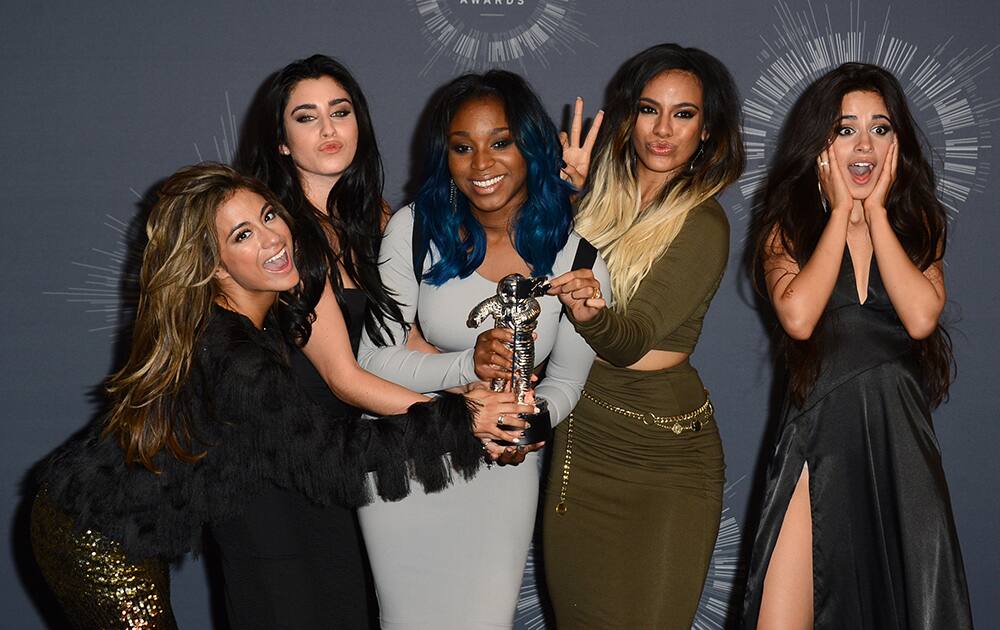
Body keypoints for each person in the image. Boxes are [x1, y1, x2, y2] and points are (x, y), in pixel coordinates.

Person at [29, 163, 528, 630]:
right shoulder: (231, 355)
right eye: (242, 235)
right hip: (95, 538)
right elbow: (335, 458)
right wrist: (461, 420)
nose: (272, 238)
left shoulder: (259, 314)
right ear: (213, 264)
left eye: (268, 215)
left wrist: (459, 390)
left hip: (110, 515)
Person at [236, 54, 527, 627]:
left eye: (340, 112)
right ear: (281, 142)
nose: (328, 129)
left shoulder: (378, 219)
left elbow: (406, 344)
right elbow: (344, 378)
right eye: (306, 116)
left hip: (352, 459)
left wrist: (477, 379)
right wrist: (465, 413)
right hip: (279, 466)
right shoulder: (279, 235)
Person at [355, 70, 610, 629]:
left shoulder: (579, 258)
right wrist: (464, 365)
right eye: (462, 147)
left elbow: (566, 383)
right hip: (405, 455)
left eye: (500, 142)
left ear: (531, 148)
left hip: (501, 466)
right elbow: (373, 357)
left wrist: (527, 421)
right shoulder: (414, 230)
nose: (481, 165)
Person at [741, 63, 972, 629]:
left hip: (902, 444)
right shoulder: (786, 226)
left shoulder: (921, 224)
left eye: (881, 128)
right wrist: (843, 210)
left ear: (899, 143)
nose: (864, 144)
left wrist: (877, 215)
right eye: (845, 129)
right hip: (814, 437)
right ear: (821, 144)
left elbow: (920, 317)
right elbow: (797, 315)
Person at [538, 43, 745, 628]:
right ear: (629, 118)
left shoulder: (704, 223)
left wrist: (589, 312)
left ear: (707, 130)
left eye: (684, 114)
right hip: (584, 438)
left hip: (665, 461)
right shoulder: (601, 203)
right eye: (650, 109)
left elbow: (628, 338)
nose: (663, 129)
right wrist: (573, 198)